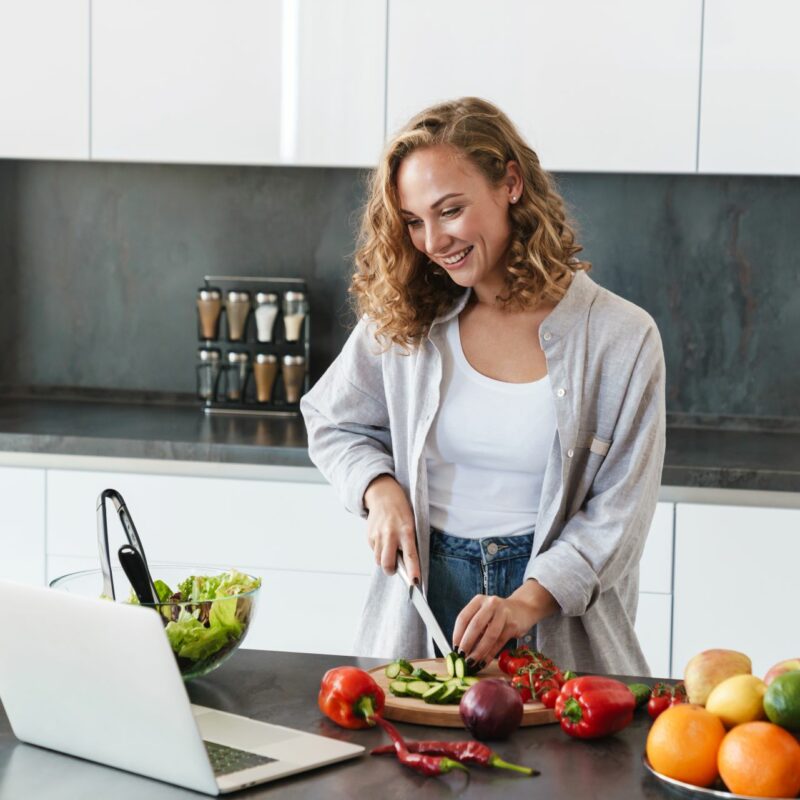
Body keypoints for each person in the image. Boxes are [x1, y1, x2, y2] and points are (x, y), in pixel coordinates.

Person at [300, 97, 665, 675]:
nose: (432, 241)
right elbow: (332, 418)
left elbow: (618, 518)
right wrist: (378, 488)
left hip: (553, 621)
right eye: (414, 221)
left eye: (449, 210)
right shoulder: (407, 318)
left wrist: (525, 604)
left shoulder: (621, 338)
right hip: (422, 609)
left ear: (511, 184)